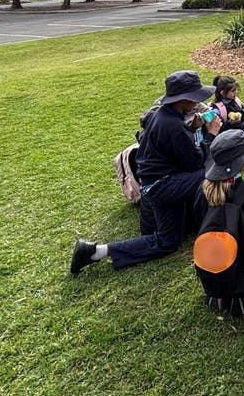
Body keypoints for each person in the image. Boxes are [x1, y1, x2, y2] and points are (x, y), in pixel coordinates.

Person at [70, 70, 222, 274]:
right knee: (210, 171)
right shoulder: (173, 125)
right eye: (194, 98)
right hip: (163, 186)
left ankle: (95, 251)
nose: (197, 102)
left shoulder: (163, 116)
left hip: (154, 185)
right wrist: (211, 134)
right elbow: (194, 163)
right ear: (184, 99)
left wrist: (192, 128)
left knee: (167, 242)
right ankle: (217, 222)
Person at [193, 130, 244, 315]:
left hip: (212, 264)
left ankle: (220, 288)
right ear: (243, 162)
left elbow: (199, 222)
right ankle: (243, 293)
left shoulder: (202, 191)